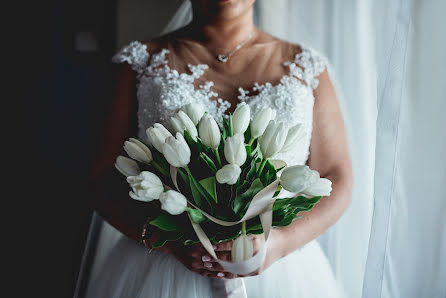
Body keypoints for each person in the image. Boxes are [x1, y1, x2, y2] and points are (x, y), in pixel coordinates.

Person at [82, 0, 353, 297]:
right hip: (163, 269)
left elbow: (335, 175)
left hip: (282, 273)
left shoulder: (306, 66)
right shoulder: (141, 62)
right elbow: (103, 176)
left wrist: (279, 243)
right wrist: (169, 242)